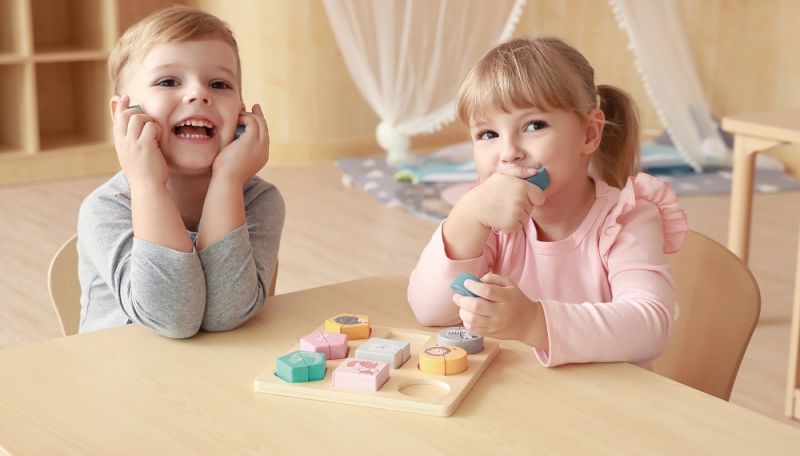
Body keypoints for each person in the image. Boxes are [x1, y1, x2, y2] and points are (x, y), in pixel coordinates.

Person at [407, 37, 688, 368]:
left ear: (589, 134)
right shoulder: (489, 221)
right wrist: (465, 217)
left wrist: (533, 322)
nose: (509, 153)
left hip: (606, 397)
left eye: (533, 126)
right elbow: (430, 311)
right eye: (488, 134)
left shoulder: (627, 218)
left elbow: (650, 326)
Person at [77, 6, 284, 338]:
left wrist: (228, 181)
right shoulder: (104, 209)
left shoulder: (259, 199)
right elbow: (171, 318)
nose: (198, 94)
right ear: (123, 114)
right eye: (168, 81)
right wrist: (147, 185)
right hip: (120, 368)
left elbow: (226, 314)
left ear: (240, 113)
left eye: (219, 84)